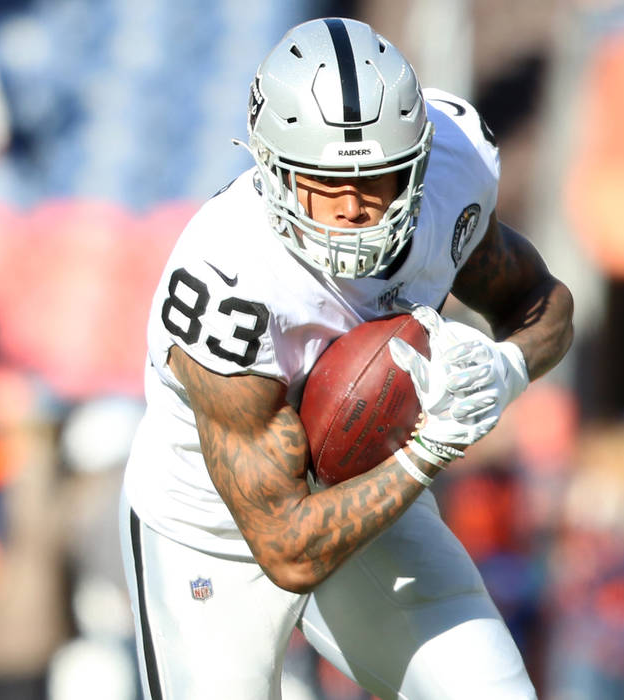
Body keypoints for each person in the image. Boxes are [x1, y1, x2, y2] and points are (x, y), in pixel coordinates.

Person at [120, 17, 573, 700]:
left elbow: (542, 306)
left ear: (418, 164)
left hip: (371, 497)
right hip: (210, 532)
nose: (355, 206)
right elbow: (286, 547)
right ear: (272, 170)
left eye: (379, 178)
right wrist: (427, 451)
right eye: (325, 182)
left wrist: (502, 372)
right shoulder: (229, 278)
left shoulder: (454, 177)